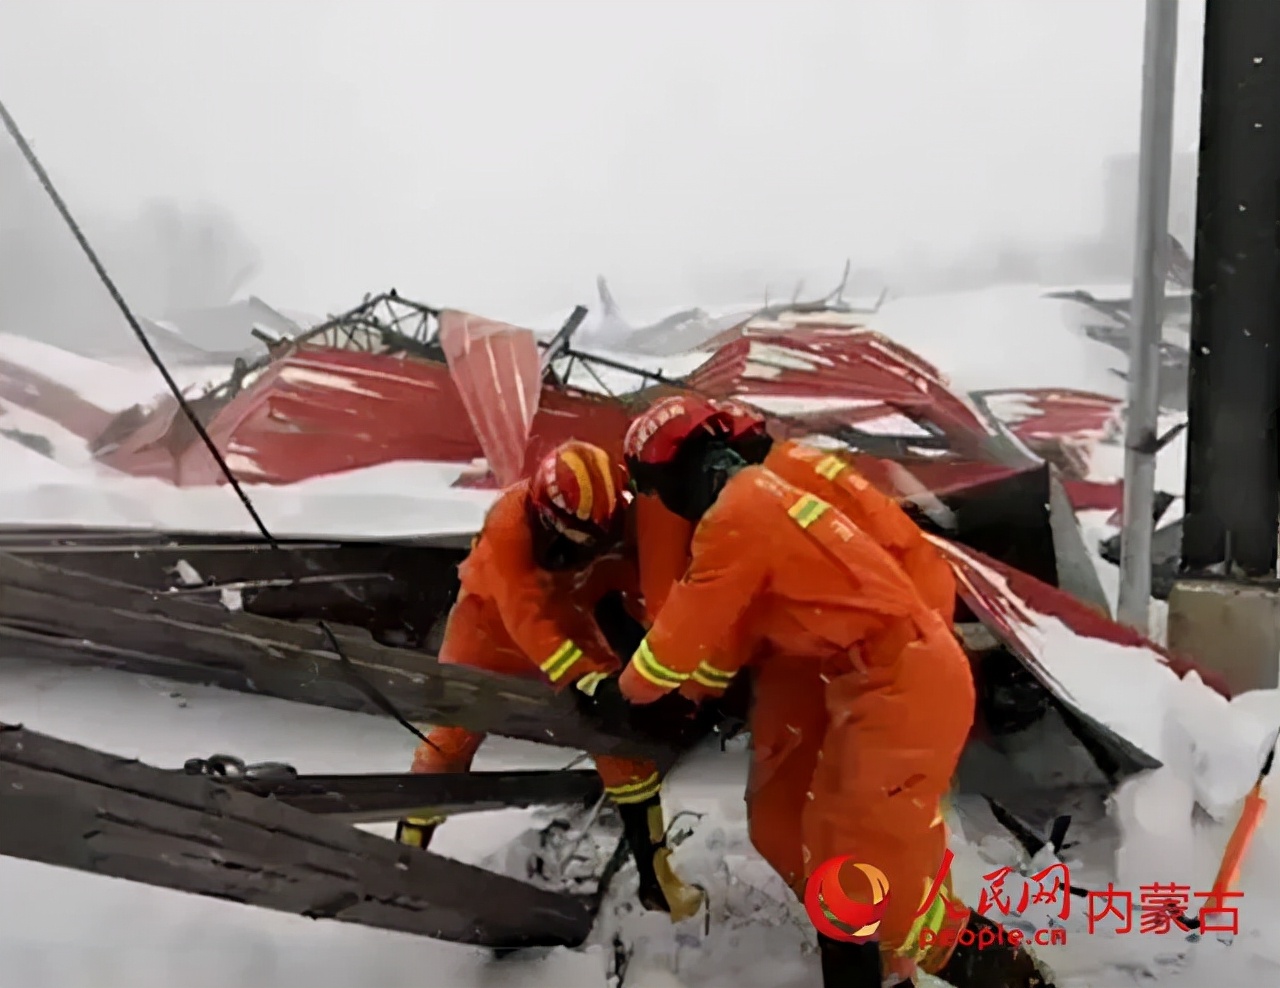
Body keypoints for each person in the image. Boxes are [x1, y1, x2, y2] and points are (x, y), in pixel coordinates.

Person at [579, 401, 1052, 988]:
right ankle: (890, 970)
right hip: (869, 676)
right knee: (833, 861)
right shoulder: (766, 492)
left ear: (674, 473)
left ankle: (1017, 981)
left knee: (884, 895)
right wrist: (693, 688)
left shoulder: (738, 515)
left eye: (654, 489)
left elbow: (681, 635)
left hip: (898, 683)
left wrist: (623, 694)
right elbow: (734, 621)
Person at [397, 439, 702, 920]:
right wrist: (584, 680)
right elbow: (526, 618)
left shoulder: (616, 512)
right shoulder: (508, 523)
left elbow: (636, 572)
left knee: (618, 740)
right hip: (487, 631)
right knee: (452, 736)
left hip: (571, 619)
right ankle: (408, 856)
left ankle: (656, 876)